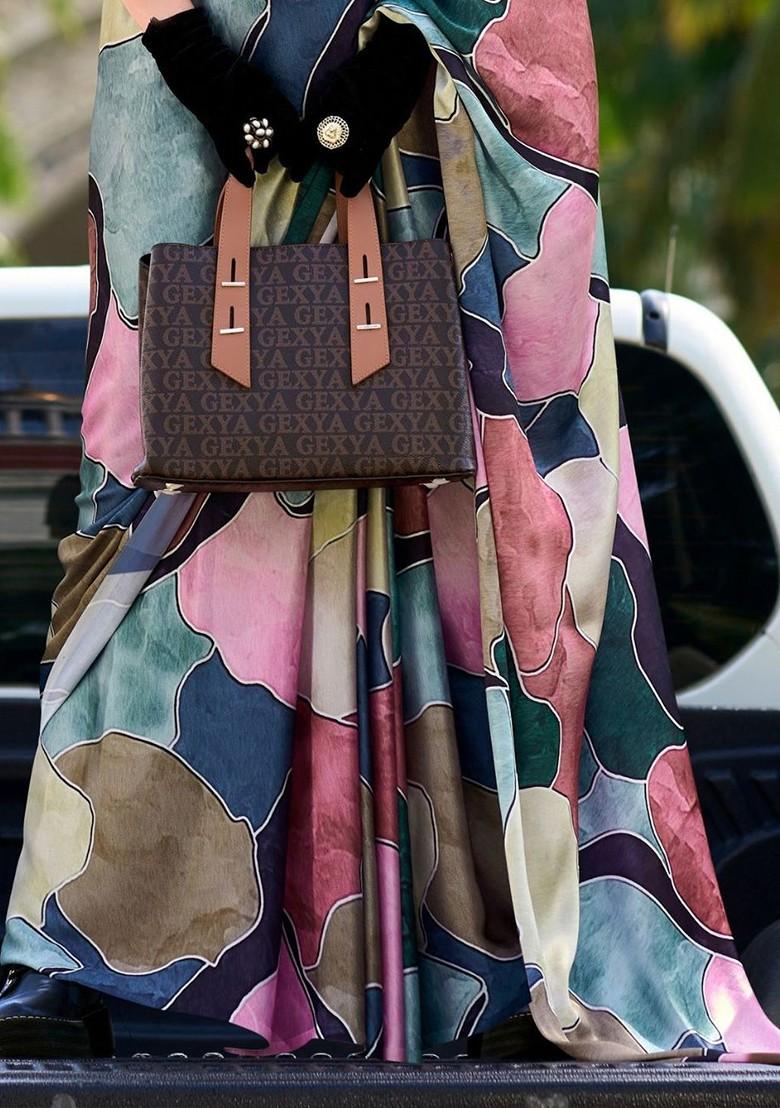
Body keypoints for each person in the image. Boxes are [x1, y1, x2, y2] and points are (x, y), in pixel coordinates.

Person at [0, 0, 778, 1064]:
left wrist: (398, 63)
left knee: (489, 504)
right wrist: (199, 62)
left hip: (426, 65)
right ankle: (71, 944)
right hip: (201, 54)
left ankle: (494, 948)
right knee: (155, 509)